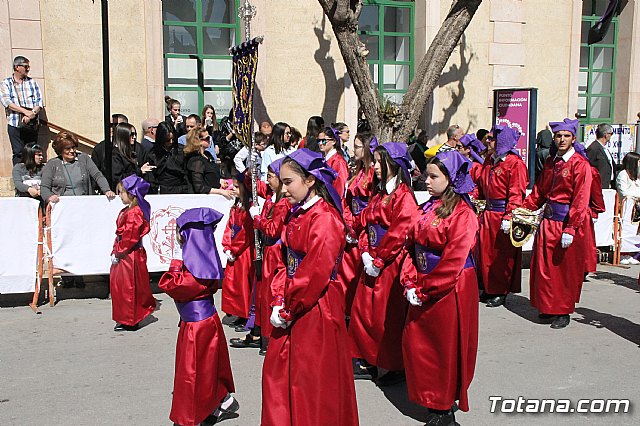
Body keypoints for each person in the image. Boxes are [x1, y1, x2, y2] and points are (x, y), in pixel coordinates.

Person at [261, 149, 358, 426]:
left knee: (312, 382)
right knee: (282, 376)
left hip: (317, 308)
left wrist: (288, 307)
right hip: (294, 302)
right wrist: (279, 296)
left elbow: (314, 272)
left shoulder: (324, 219)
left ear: (310, 181)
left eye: (289, 182)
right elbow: (285, 261)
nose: (284, 188)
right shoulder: (297, 214)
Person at [401, 150, 479, 426]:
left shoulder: (463, 213)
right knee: (420, 343)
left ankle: (444, 407)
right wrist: (409, 279)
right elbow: (412, 246)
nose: (427, 181)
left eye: (434, 176)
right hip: (423, 282)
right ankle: (429, 397)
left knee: (445, 347)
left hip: (450, 288)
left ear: (451, 179)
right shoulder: (428, 207)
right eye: (427, 175)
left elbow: (454, 260)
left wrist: (425, 289)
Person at [159, 208, 238, 426]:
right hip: (197, 322)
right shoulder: (199, 263)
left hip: (199, 325)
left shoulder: (196, 270)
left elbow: (171, 284)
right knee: (206, 368)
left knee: (193, 371)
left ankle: (193, 414)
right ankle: (219, 402)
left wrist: (175, 261)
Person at [349, 142, 418, 385]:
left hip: (390, 262)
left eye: (379, 161)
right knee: (362, 310)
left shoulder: (403, 196)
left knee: (385, 315)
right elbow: (368, 223)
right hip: (373, 258)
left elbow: (400, 232)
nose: (374, 166)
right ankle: (365, 357)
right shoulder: (379, 193)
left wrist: (379, 260)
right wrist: (366, 250)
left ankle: (393, 364)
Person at [522, 118, 592, 329]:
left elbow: (581, 198)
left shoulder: (580, 165)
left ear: (573, 138)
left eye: (566, 136)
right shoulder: (552, 163)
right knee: (544, 268)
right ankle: (547, 305)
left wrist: (571, 228)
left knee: (564, 269)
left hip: (565, 224)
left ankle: (563, 310)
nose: (562, 139)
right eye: (558, 136)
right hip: (548, 223)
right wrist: (523, 209)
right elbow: (539, 193)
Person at [41, 132, 116, 288]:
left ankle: (80, 274)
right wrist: (50, 197)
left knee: (82, 241)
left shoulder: (84, 159)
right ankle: (67, 276)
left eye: (73, 148)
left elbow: (97, 175)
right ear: (60, 150)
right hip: (63, 213)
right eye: (67, 149)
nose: (72, 151)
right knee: (66, 242)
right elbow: (44, 188)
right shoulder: (52, 165)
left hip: (83, 211)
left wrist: (107, 190)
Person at [232, 158, 289, 354]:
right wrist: (250, 173)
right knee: (261, 294)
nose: (268, 180)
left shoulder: (282, 203)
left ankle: (269, 337)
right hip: (265, 251)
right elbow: (255, 186)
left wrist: (258, 218)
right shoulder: (273, 197)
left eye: (271, 177)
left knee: (270, 294)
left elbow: (273, 229)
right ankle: (260, 332)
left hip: (274, 252)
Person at [476, 125, 528, 307]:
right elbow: (481, 185)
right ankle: (488, 287)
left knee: (501, 255)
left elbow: (516, 193)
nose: (487, 141)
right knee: (485, 254)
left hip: (501, 215)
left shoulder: (515, 164)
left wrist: (509, 216)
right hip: (487, 214)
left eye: (491, 138)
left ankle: (500, 290)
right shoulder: (490, 160)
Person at [109, 175, 156, 332]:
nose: (119, 195)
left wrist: (119, 251)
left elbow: (130, 236)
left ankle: (131, 319)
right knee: (121, 286)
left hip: (130, 255)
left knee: (130, 287)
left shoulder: (134, 213)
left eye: (122, 192)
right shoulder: (126, 211)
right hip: (124, 253)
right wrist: (115, 249)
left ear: (131, 193)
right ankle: (125, 317)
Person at [340, 133, 375, 325]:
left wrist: (356, 225)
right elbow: (349, 201)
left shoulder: (372, 174)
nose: (355, 150)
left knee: (357, 274)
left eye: (358, 146)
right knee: (346, 274)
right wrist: (347, 222)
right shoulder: (358, 171)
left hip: (362, 229)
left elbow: (370, 205)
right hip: (351, 226)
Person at [220, 173, 256, 329]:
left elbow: (245, 234)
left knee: (243, 284)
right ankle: (236, 311)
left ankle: (245, 313)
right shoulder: (236, 207)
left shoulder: (248, 210)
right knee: (231, 282)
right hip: (234, 251)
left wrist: (234, 249)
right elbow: (229, 228)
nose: (233, 189)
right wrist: (227, 246)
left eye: (236, 186)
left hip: (244, 252)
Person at [1, 56, 43, 165]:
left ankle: (33, 177)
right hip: (14, 123)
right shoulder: (6, 83)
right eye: (26, 66)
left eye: (28, 67)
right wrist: (25, 112)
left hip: (31, 124)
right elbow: (7, 102)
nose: (28, 69)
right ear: (17, 67)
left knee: (33, 151)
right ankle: (19, 178)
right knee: (18, 153)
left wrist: (32, 114)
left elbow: (39, 101)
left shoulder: (32, 82)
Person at [184, 126, 232, 198]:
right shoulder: (196, 161)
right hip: (203, 200)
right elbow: (199, 188)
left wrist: (219, 181)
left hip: (214, 197)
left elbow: (209, 176)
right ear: (198, 141)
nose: (210, 140)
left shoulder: (207, 155)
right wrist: (221, 192)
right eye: (207, 138)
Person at [145, 121, 190, 194]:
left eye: (173, 139)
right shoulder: (153, 154)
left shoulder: (182, 150)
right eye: (167, 140)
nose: (171, 142)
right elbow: (151, 177)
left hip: (181, 188)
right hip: (163, 190)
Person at [91, 113, 130, 187]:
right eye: (110, 125)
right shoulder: (100, 148)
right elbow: (95, 171)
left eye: (116, 125)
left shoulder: (136, 147)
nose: (112, 128)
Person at [615, 152, 640, 265]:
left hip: (635, 207)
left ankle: (631, 252)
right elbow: (623, 192)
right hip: (626, 207)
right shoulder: (622, 174)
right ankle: (623, 253)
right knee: (624, 230)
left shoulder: (635, 177)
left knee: (633, 231)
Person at [318, 126, 349, 197]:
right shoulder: (324, 159)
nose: (320, 143)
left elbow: (340, 186)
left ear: (334, 141)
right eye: (318, 141)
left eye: (324, 141)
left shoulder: (338, 161)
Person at [586, 123, 616, 189]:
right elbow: (587, 166)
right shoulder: (593, 148)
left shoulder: (604, 149)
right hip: (598, 186)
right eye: (611, 134)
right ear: (606, 135)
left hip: (607, 184)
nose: (611, 136)